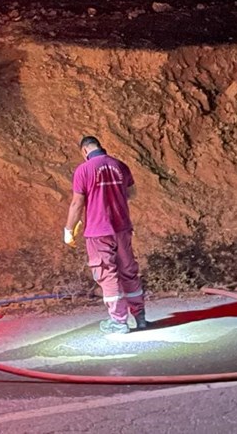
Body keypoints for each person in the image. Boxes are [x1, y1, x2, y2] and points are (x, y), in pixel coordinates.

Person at [64, 135, 147, 334]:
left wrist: (68, 229)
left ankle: (119, 322)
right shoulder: (120, 165)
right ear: (100, 147)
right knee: (128, 270)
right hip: (122, 227)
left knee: (106, 273)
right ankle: (140, 317)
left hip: (98, 231)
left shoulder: (84, 169)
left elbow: (77, 204)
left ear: (84, 151)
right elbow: (131, 193)